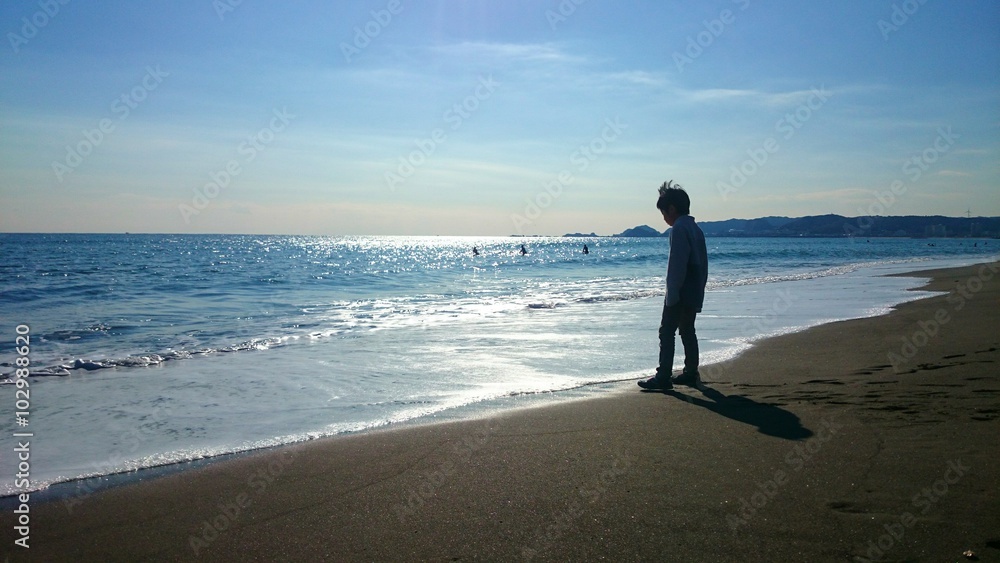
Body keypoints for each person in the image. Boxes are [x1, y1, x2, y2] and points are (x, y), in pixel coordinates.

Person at [639, 180, 708, 390]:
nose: (664, 219)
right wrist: (700, 291)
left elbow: (676, 265)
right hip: (694, 287)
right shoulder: (696, 228)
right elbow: (703, 265)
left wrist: (672, 294)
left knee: (666, 330)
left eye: (663, 213)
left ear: (671, 209)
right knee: (687, 329)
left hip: (681, 289)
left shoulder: (678, 229)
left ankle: (663, 376)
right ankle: (690, 372)